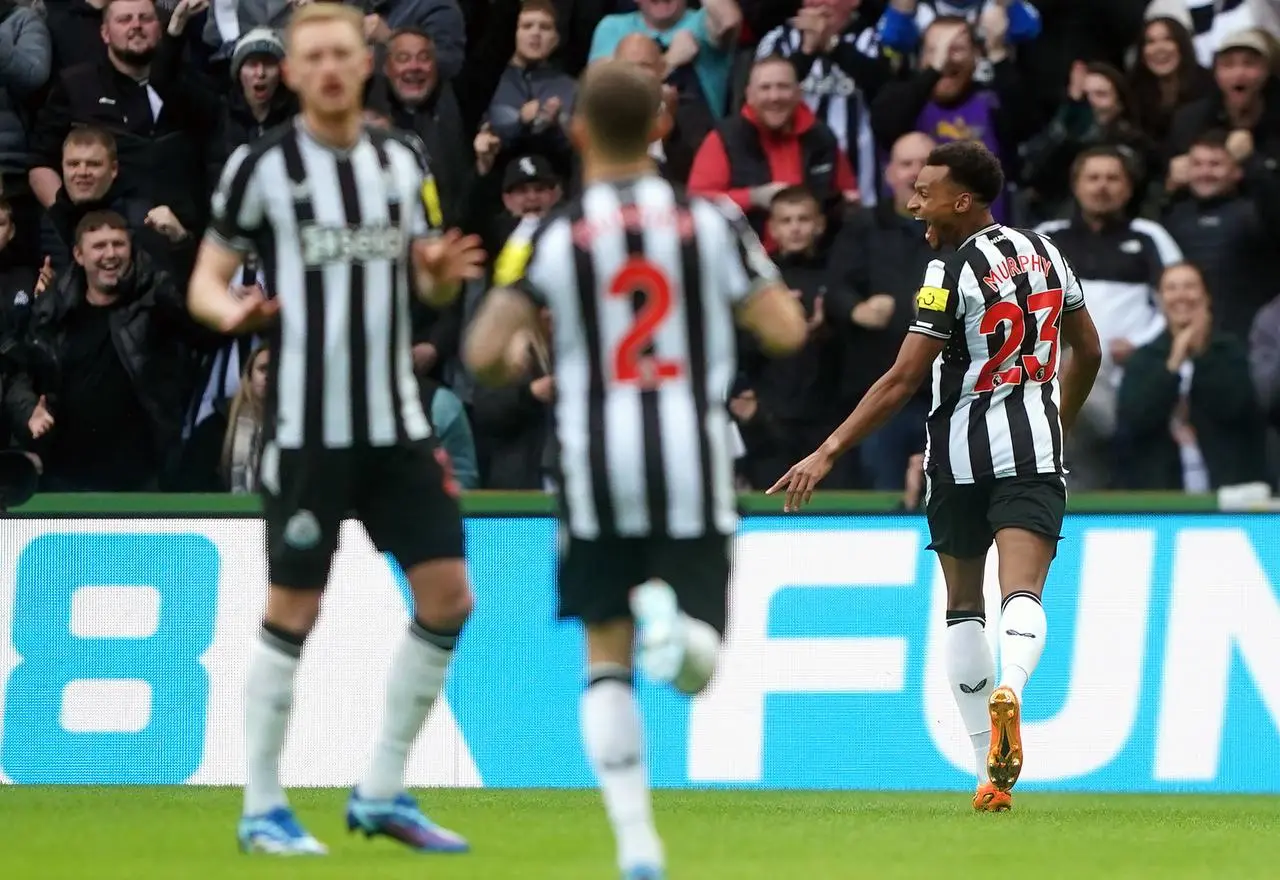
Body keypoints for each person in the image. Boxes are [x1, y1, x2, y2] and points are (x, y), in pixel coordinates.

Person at [463, 59, 807, 880]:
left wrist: (522, 348)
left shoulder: (550, 235)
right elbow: (788, 330)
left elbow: (483, 356)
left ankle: (635, 843)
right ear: (662, 128)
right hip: (691, 456)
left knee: (605, 661)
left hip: (590, 464)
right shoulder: (711, 223)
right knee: (698, 664)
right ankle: (676, 621)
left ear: (577, 135)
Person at [186, 2, 486, 857]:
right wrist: (233, 309)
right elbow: (205, 281)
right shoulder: (260, 169)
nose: (324, 68)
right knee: (293, 608)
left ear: (367, 63)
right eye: (309, 55)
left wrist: (432, 275)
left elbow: (429, 286)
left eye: (339, 54)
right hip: (308, 428)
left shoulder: (403, 160)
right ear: (288, 71)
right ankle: (261, 804)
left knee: (449, 598)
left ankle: (382, 789)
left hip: (395, 424)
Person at [768, 140, 1104, 812]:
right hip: (1033, 449)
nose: (914, 198)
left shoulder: (943, 271)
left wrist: (827, 450)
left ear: (964, 199)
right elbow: (1087, 349)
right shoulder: (1046, 252)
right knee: (1024, 590)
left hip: (956, 458)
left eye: (925, 189)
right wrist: (1056, 419)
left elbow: (901, 379)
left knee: (961, 604)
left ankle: (987, 771)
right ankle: (1014, 683)